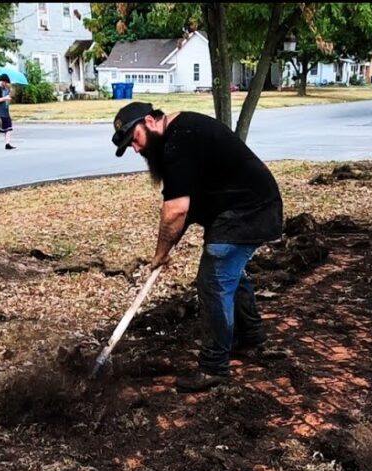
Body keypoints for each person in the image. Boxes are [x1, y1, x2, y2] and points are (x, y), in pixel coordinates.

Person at [110, 101, 283, 393]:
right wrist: (166, 249)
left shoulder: (180, 141)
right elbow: (187, 208)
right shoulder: (177, 138)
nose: (136, 150)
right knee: (231, 275)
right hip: (239, 211)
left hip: (250, 211)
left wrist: (160, 254)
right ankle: (251, 339)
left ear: (151, 121)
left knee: (213, 280)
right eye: (130, 146)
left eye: (135, 140)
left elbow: (176, 211)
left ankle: (214, 365)